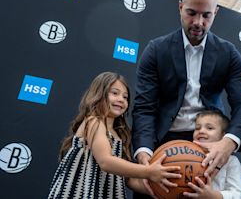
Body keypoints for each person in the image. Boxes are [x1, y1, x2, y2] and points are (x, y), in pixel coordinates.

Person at [132, 0, 241, 177]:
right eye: (191, 13)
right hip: (163, 141)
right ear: (180, 7)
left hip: (211, 144)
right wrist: (144, 151)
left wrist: (228, 142)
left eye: (206, 15)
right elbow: (144, 108)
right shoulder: (156, 50)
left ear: (216, 13)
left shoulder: (229, 53)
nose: (198, 22)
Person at [48, 72, 181, 199]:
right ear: (99, 94)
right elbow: (106, 161)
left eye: (125, 97)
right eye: (114, 93)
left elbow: (129, 179)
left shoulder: (121, 135)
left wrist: (167, 189)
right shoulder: (94, 121)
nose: (121, 100)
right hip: (79, 193)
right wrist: (149, 171)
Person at [183, 110, 241, 199]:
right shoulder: (183, 156)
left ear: (223, 136)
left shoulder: (231, 161)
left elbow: (239, 196)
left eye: (209, 128)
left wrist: (214, 196)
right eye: (197, 128)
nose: (201, 131)